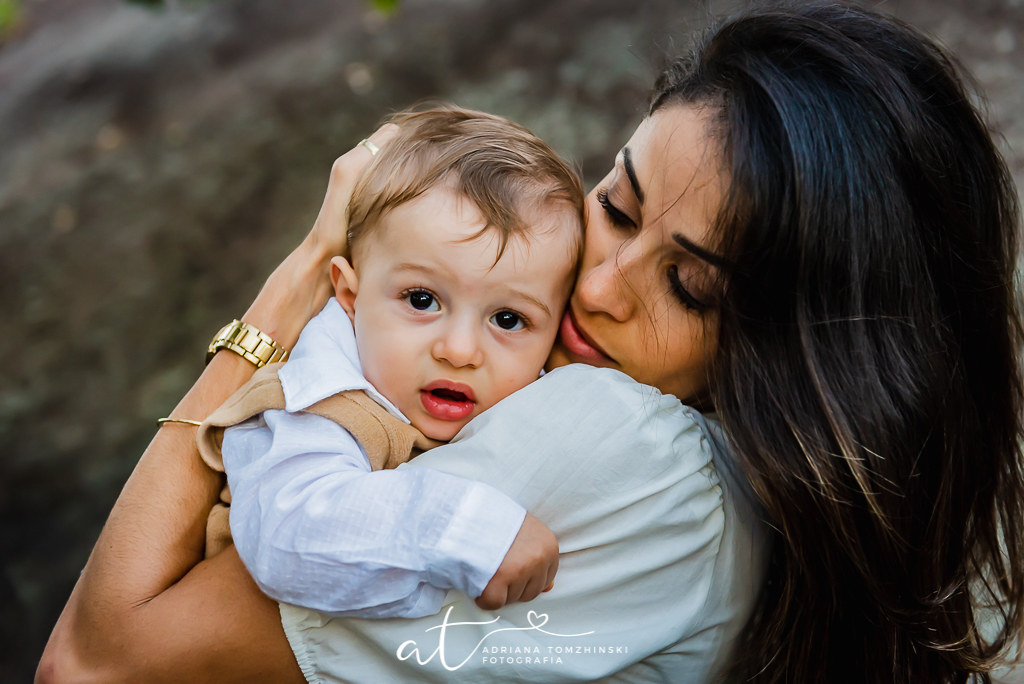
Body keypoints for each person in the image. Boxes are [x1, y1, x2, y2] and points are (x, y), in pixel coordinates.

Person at [36, 3, 1024, 683]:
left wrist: (292, 284)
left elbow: (92, 661)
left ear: (803, 359)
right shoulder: (792, 520)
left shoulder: (617, 446)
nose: (596, 288)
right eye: (617, 205)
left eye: (689, 288)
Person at [204, 106, 583, 618]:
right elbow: (289, 534)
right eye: (422, 300)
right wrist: (463, 527)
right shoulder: (320, 401)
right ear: (350, 295)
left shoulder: (538, 394)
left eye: (509, 319)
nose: (460, 350)